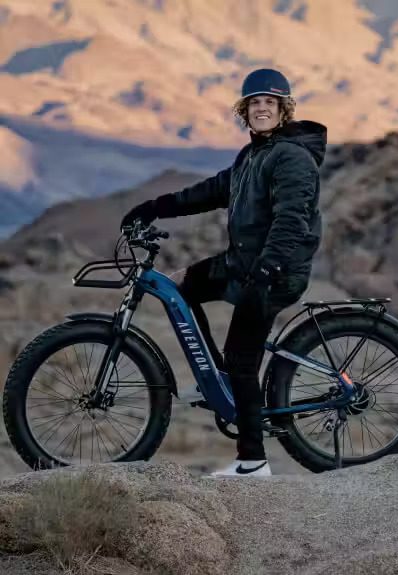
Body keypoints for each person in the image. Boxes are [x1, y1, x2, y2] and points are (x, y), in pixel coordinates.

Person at [120, 68, 327, 477]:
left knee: (243, 356)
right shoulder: (252, 156)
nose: (262, 108)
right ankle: (219, 378)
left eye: (270, 102)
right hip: (244, 263)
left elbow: (291, 221)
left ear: (284, 110)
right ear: (244, 111)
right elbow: (210, 191)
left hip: (274, 270)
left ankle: (253, 461)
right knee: (180, 285)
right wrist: (153, 207)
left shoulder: (292, 158)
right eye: (254, 102)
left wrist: (267, 272)